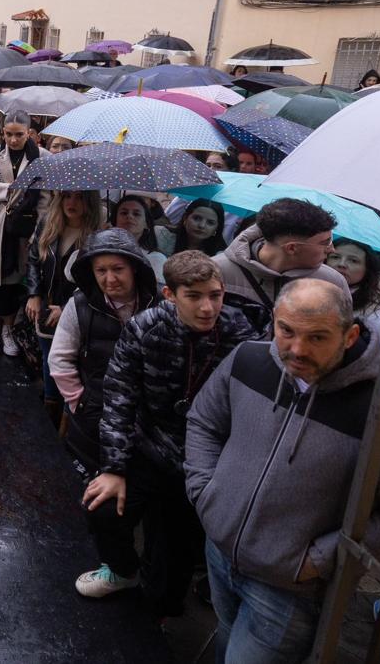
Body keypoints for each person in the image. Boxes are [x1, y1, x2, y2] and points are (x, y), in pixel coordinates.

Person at [185, 279, 380, 663]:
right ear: (275, 322)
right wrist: (204, 493)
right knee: (224, 640)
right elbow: (204, 422)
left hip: (288, 589)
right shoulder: (249, 358)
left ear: (350, 336)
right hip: (219, 551)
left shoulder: (379, 410)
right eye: (287, 331)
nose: (297, 349)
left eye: (317, 337)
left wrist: (316, 560)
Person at [77, 252, 254, 614]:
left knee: (175, 553)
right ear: (170, 294)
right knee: (103, 509)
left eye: (215, 295)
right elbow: (119, 397)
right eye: (194, 296)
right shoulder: (144, 328)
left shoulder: (240, 332)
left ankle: (160, 614)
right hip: (148, 443)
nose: (207, 307)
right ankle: (123, 570)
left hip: (203, 457)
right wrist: (114, 467)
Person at [48, 228, 160, 480]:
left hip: (146, 419)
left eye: (118, 269)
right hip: (92, 418)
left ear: (134, 267)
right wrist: (80, 401)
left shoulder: (158, 304)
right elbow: (59, 359)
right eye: (101, 270)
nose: (110, 278)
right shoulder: (79, 305)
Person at [0, 109, 48, 356]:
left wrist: (41, 229)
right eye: (9, 134)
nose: (13, 140)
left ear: (30, 133)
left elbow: (44, 197)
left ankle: (8, 329)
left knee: (14, 278)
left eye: (19, 135)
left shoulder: (41, 157)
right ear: (2, 132)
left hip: (24, 225)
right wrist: (12, 189)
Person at [24, 191, 105, 426]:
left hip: (77, 312)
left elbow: (94, 283)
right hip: (46, 307)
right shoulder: (48, 223)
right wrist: (34, 294)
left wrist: (67, 308)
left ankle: (68, 419)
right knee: (49, 360)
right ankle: (50, 411)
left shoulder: (97, 236)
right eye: (67, 196)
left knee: (70, 364)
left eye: (79, 198)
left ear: (89, 203)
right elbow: (33, 260)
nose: (72, 203)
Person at [213, 198, 348, 330]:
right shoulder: (215, 272)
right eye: (325, 243)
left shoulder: (333, 282)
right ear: (292, 248)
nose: (332, 249)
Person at [327, 238, 380, 342]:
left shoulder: (377, 316)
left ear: (367, 268)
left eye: (353, 260)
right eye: (335, 257)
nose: (341, 264)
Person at [112, 195, 167, 284]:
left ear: (146, 224)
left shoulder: (157, 259)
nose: (129, 216)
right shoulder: (101, 253)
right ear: (115, 221)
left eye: (136, 214)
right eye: (124, 213)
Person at [156, 198, 228, 258]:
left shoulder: (219, 256)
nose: (201, 225)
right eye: (197, 218)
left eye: (210, 223)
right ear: (185, 218)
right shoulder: (161, 236)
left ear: (217, 228)